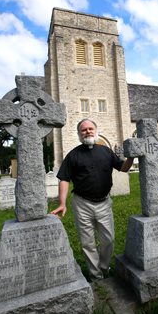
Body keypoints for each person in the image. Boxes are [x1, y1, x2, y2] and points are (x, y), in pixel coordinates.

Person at [51, 118, 133, 281]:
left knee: (108, 240)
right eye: (84, 130)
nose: (87, 131)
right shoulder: (73, 155)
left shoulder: (106, 152)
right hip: (82, 204)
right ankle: (96, 276)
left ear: (96, 131)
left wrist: (131, 157)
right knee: (87, 243)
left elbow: (123, 168)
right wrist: (62, 203)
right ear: (79, 134)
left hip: (104, 202)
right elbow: (64, 179)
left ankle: (104, 267)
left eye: (90, 129)